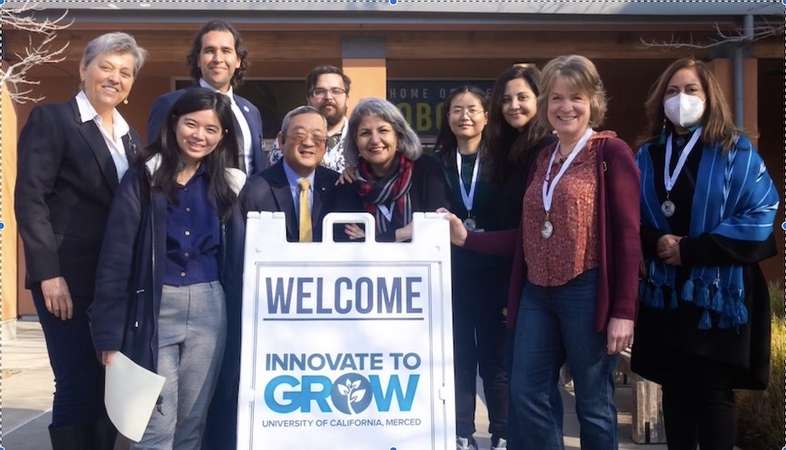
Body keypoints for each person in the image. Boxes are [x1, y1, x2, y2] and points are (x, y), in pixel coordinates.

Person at [442, 54, 640, 450]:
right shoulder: (543, 158)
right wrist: (468, 238)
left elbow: (628, 235)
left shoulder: (610, 153)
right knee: (527, 392)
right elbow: (528, 235)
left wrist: (624, 310)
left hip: (585, 287)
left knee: (593, 402)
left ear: (593, 103)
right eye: (556, 98)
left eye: (576, 98)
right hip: (536, 292)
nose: (565, 107)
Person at [632, 58, 778, 450]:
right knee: (676, 392)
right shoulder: (646, 156)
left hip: (719, 295)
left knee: (714, 395)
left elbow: (761, 214)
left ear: (710, 97)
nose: (681, 99)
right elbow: (626, 216)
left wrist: (692, 250)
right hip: (666, 293)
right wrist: (655, 242)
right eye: (673, 91)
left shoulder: (737, 152)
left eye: (691, 90)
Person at [89, 88, 246, 449]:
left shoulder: (230, 186)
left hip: (210, 307)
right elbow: (116, 257)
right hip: (156, 307)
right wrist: (109, 336)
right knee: (155, 424)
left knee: (192, 422)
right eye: (192, 124)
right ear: (174, 123)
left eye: (211, 129)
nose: (200, 136)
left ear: (223, 136)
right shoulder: (144, 178)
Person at [14, 32, 147, 450]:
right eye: (106, 66)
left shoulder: (130, 138)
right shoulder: (53, 120)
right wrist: (48, 273)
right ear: (84, 69)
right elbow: (31, 198)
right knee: (75, 379)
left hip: (113, 283)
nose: (115, 77)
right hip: (66, 280)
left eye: (125, 72)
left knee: (110, 382)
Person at [204, 106, 340, 449]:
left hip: (327, 316)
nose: (308, 143)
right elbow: (237, 261)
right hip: (269, 316)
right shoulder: (256, 190)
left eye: (318, 138)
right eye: (298, 135)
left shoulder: (338, 187)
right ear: (280, 141)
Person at [433, 87, 508, 450]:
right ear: (447, 118)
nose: (464, 116)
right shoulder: (436, 161)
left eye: (472, 109)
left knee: (496, 358)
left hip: (494, 269)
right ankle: (461, 431)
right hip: (453, 273)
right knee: (459, 355)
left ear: (486, 117)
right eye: (456, 110)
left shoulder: (503, 160)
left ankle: (503, 431)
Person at [147, 20, 265, 175]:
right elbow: (156, 166)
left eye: (226, 51)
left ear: (238, 61)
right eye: (210, 50)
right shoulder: (170, 104)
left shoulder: (251, 111)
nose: (218, 58)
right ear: (197, 60)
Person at [335, 97, 449, 242]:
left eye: (383, 130)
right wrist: (403, 233)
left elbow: (436, 225)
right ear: (355, 142)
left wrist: (369, 238)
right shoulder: (349, 183)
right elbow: (346, 242)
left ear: (399, 137)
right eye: (365, 133)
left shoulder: (426, 170)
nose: (375, 140)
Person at [486, 64, 554, 228]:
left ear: (540, 99)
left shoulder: (548, 148)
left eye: (522, 97)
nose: (514, 106)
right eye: (506, 100)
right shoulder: (504, 148)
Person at [269, 65, 354, 172]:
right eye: (320, 91)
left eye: (336, 91)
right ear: (308, 98)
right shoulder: (289, 137)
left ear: (347, 97)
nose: (328, 97)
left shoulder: (357, 138)